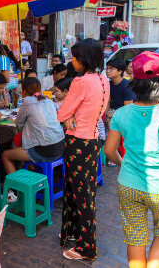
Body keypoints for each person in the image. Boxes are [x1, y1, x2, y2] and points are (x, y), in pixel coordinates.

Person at [104, 52, 159, 268]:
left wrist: (122, 164)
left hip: (128, 184)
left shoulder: (121, 114)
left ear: (134, 82)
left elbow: (109, 150)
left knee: (135, 237)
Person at [57, 39, 109, 260]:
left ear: (83, 59)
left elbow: (60, 113)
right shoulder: (103, 79)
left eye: (75, 57)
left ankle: (87, 247)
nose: (72, 61)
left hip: (78, 142)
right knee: (81, 190)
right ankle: (74, 232)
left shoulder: (81, 82)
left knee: (82, 195)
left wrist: (68, 116)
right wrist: (71, 116)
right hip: (93, 141)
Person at [1, 78, 64, 177]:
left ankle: (15, 188)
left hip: (45, 151)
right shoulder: (48, 100)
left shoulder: (27, 101)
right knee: (20, 140)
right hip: (60, 148)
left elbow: (19, 123)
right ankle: (31, 169)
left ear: (24, 91)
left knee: (5, 155)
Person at [53, 78, 106, 144]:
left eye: (56, 91)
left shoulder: (73, 104)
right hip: (94, 137)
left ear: (66, 92)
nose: (54, 94)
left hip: (93, 138)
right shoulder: (77, 101)